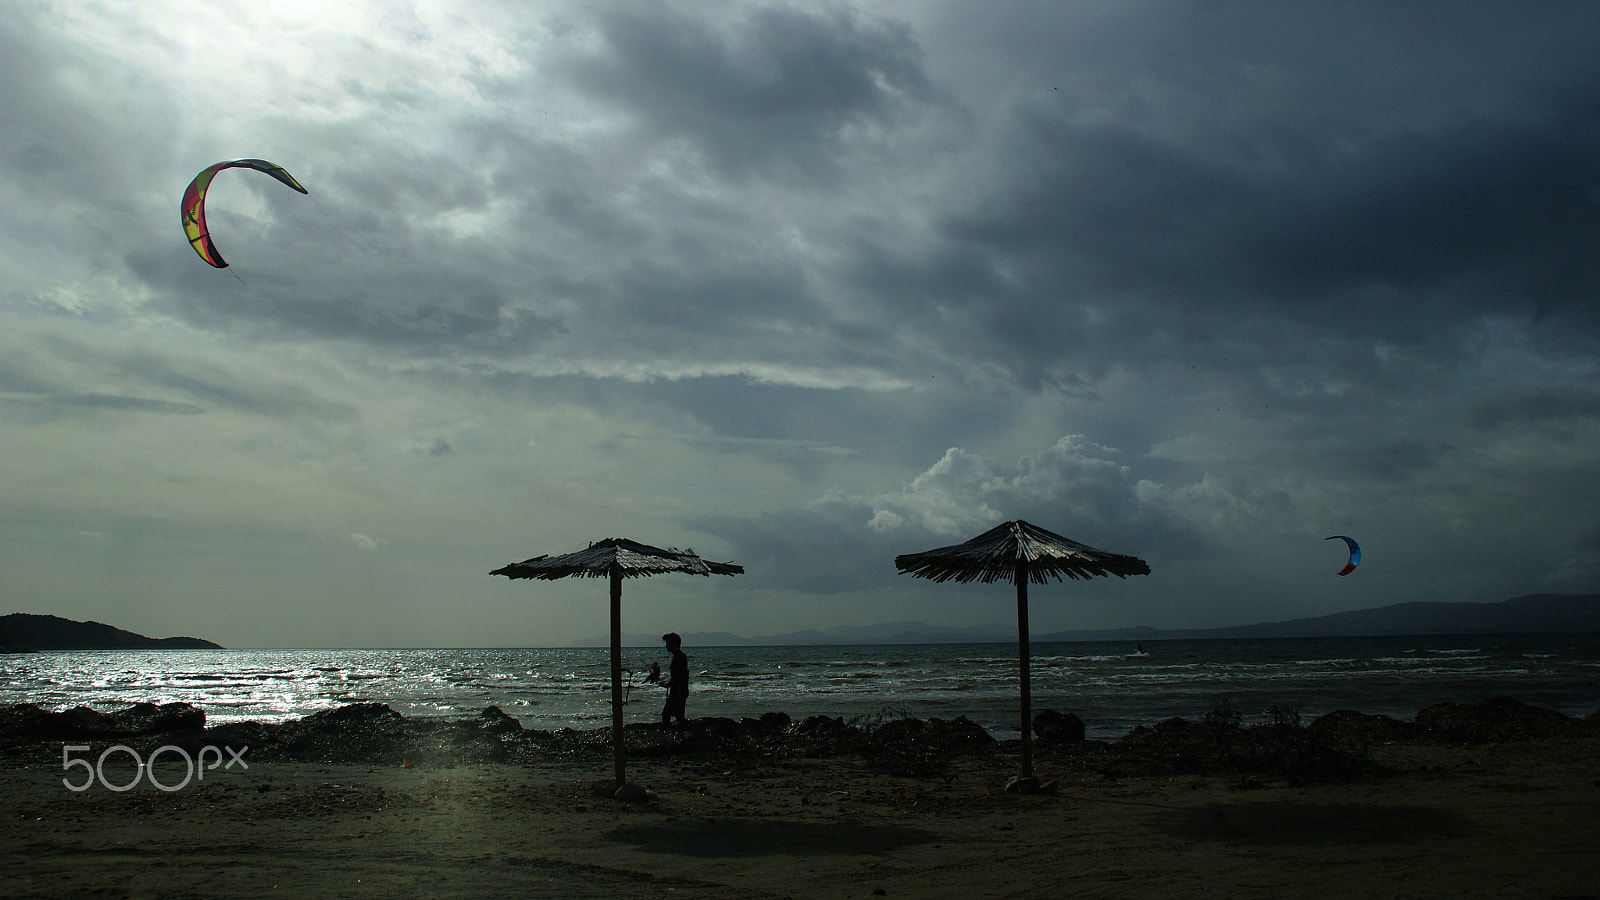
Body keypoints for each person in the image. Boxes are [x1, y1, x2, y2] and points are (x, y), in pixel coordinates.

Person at [660, 632, 689, 727]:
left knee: (669, 714)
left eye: (668, 643)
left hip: (678, 691)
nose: (666, 646)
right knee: (677, 715)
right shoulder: (679, 656)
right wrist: (668, 682)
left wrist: (669, 683)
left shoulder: (679, 657)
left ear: (674, 644)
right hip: (679, 690)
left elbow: (679, 676)